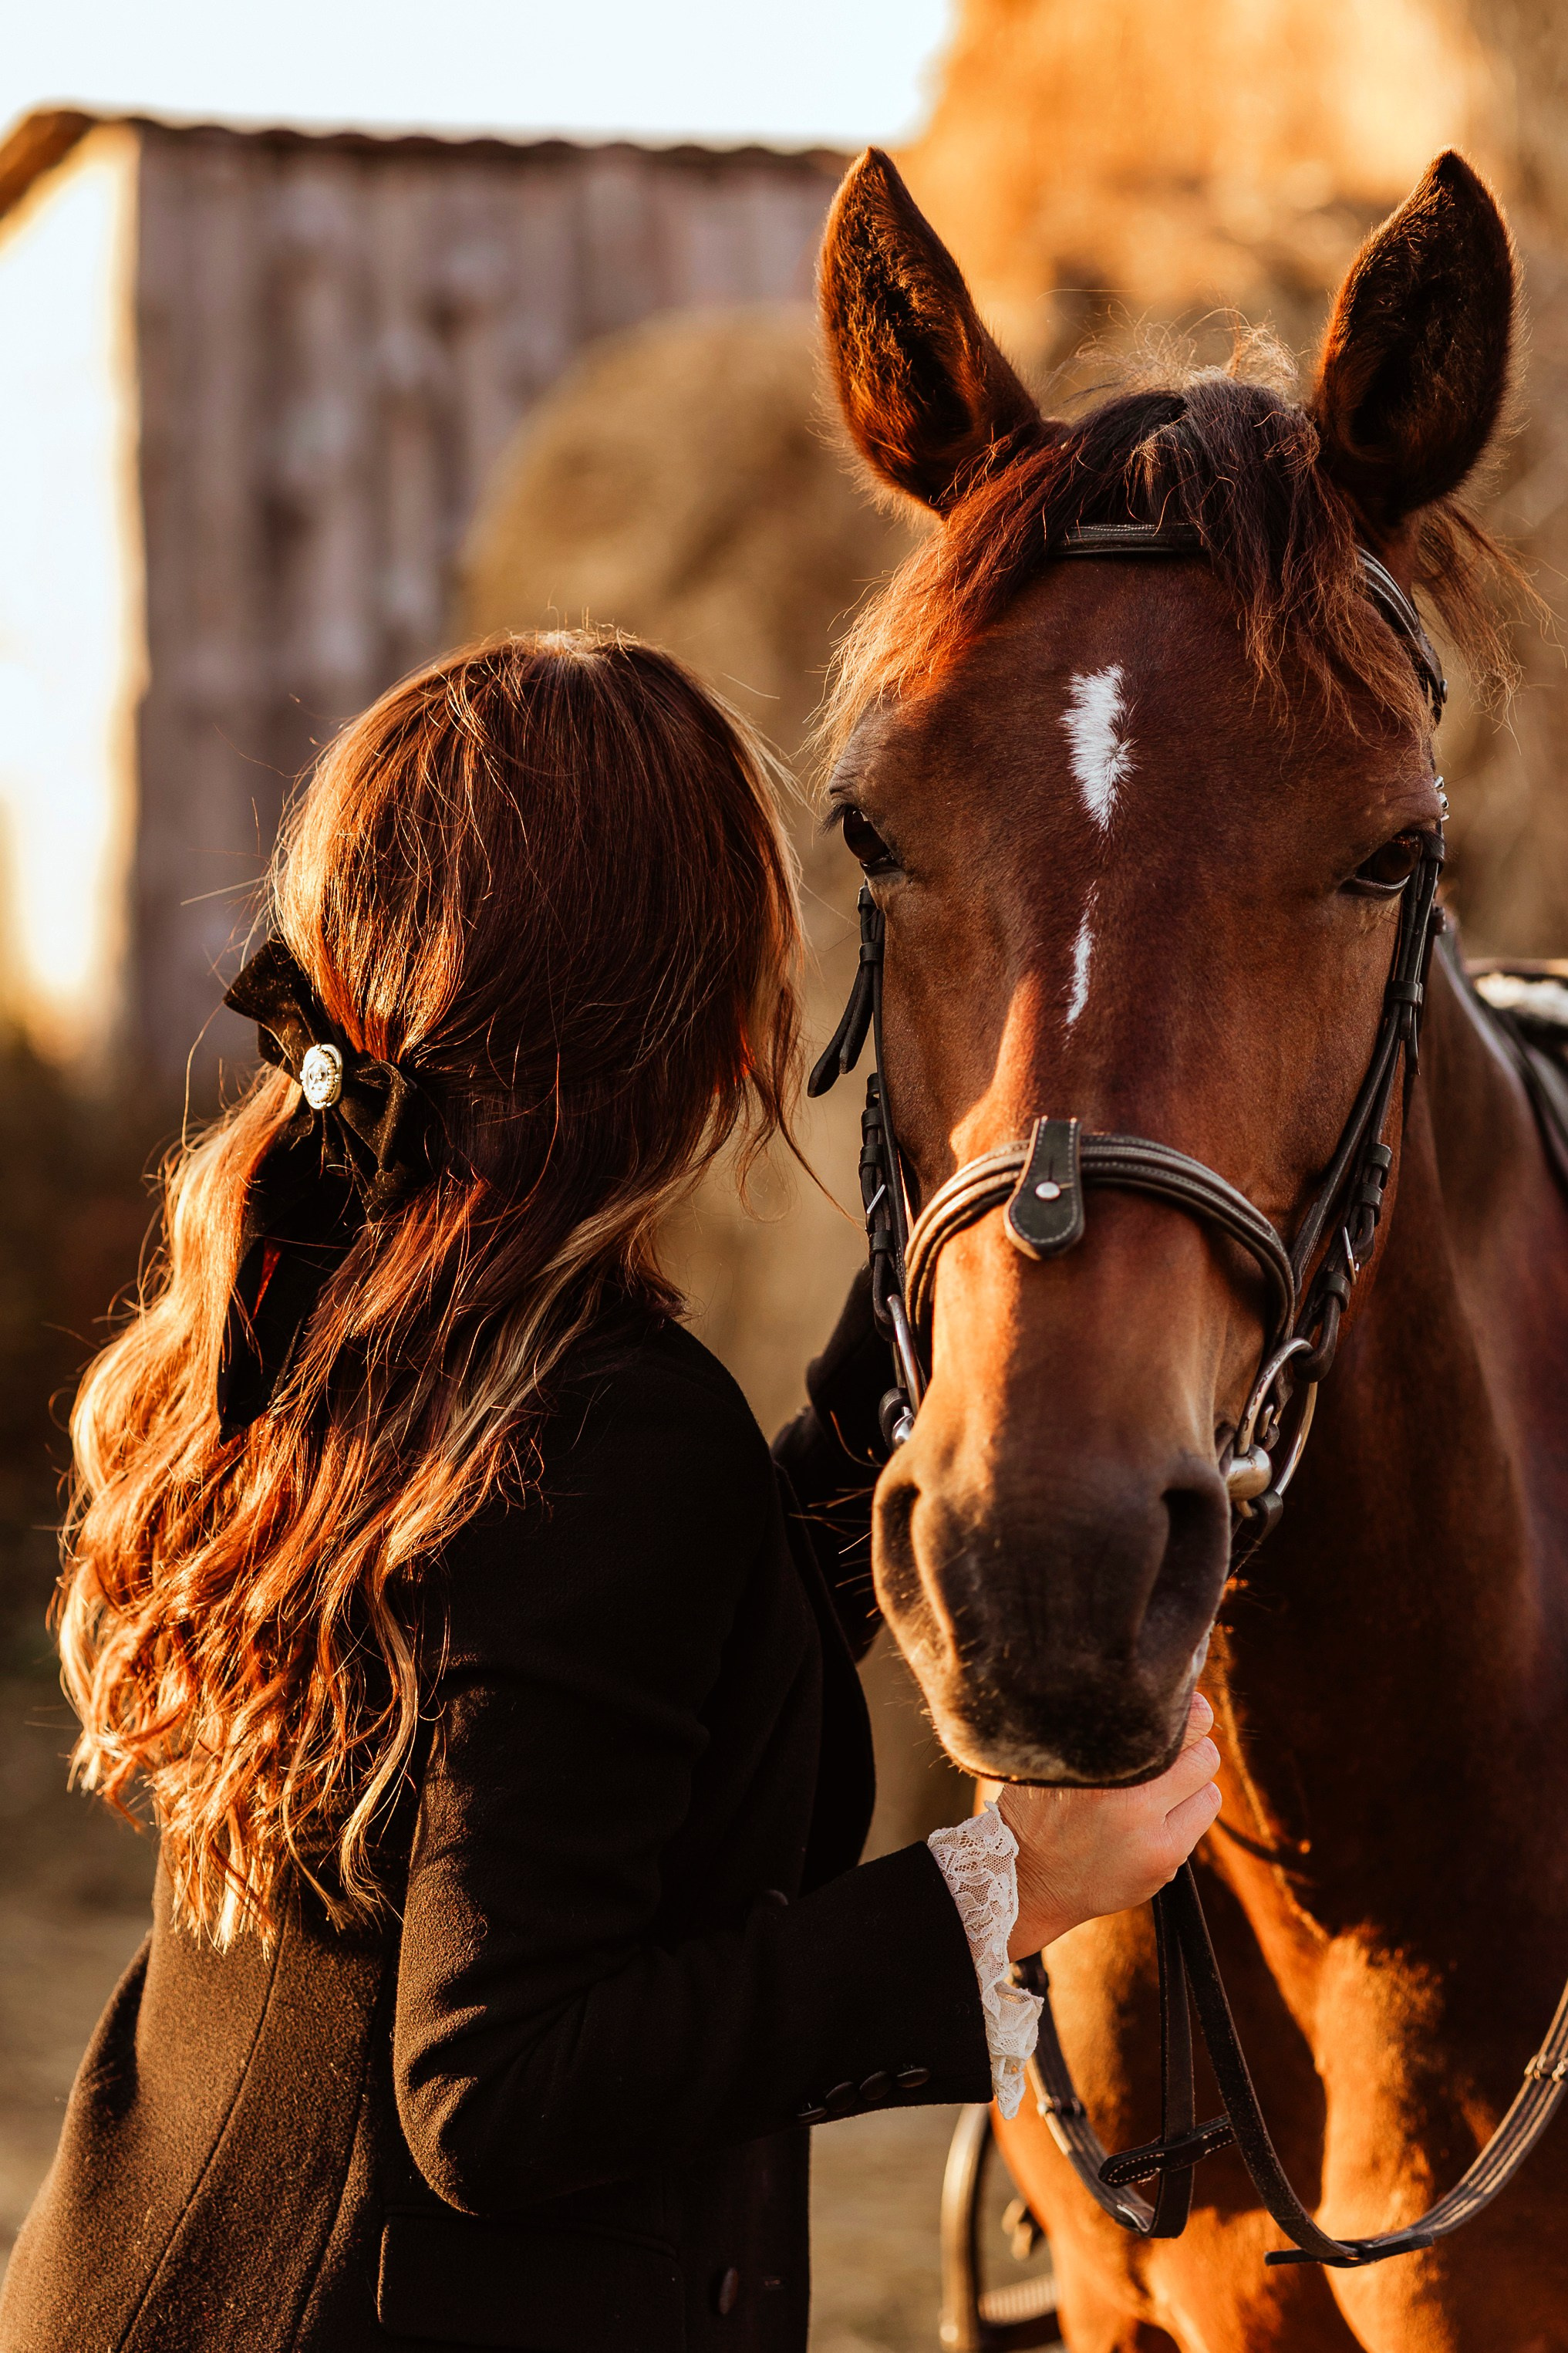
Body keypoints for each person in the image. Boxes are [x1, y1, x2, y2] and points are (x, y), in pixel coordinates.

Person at [0, 632, 1220, 2353]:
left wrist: (900, 1374)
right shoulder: (601, 1427)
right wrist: (996, 1893)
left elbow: (605, 1673)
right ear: (679, 1014)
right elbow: (493, 2085)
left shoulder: (330, 1311)